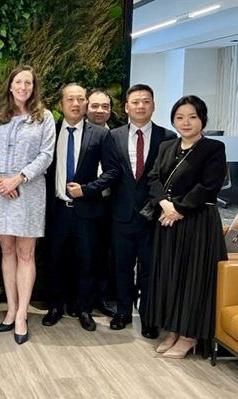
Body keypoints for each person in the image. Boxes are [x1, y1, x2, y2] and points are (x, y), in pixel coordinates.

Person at [147, 95, 227, 358]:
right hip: (168, 221)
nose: (186, 122)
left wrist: (177, 208)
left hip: (198, 223)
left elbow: (209, 186)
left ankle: (189, 335)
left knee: (193, 278)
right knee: (171, 276)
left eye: (192, 116)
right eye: (180, 117)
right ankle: (173, 329)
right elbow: (154, 178)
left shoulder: (213, 148)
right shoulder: (167, 146)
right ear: (173, 120)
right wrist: (165, 205)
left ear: (202, 119)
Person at [0, 66, 55, 344]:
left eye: (28, 82)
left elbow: (46, 155)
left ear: (34, 87)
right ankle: (10, 309)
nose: (23, 86)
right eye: (18, 82)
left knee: (26, 253)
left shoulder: (44, 118)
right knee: (7, 250)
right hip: (2, 193)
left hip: (29, 192)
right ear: (10, 86)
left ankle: (23, 314)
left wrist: (19, 178)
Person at [42, 83, 117, 332]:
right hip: (57, 209)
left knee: (88, 262)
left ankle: (84, 309)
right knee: (54, 261)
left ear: (85, 104)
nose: (76, 104)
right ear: (60, 104)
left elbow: (112, 172)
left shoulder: (100, 135)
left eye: (80, 99)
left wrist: (87, 189)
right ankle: (55, 306)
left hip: (88, 210)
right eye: (70, 99)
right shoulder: (49, 133)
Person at [109, 85, 176, 338]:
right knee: (122, 266)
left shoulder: (167, 137)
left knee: (149, 268)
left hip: (153, 215)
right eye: (135, 102)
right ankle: (123, 312)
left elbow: (169, 178)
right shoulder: (113, 136)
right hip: (121, 213)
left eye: (145, 101)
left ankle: (149, 317)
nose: (140, 106)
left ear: (153, 106)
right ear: (126, 107)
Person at [84, 88, 117, 318]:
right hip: (82, 203)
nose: (99, 111)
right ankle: (79, 299)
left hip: (109, 204)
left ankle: (101, 299)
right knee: (81, 255)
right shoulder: (74, 134)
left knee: (105, 254)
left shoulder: (116, 137)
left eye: (105, 106)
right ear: (86, 108)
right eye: (95, 106)